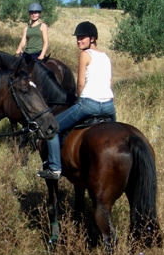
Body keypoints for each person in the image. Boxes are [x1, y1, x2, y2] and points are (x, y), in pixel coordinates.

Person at [38, 21, 116, 180]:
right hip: (109, 107)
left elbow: (80, 83)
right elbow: (109, 83)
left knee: (52, 128)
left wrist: (78, 98)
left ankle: (54, 168)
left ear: (92, 39)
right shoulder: (106, 57)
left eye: (82, 37)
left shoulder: (85, 55)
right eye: (77, 38)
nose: (78, 40)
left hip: (88, 105)